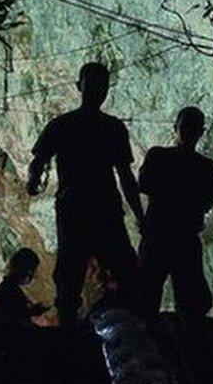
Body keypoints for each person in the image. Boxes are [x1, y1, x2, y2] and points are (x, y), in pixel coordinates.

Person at [27, 62, 142, 326]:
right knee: (122, 272)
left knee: (71, 276)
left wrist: (34, 180)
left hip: (76, 209)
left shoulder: (62, 125)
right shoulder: (111, 128)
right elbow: (125, 176)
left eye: (99, 86)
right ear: (81, 87)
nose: (97, 91)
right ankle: (125, 327)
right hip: (100, 209)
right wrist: (139, 215)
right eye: (95, 86)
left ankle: (71, 334)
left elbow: (38, 161)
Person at [137, 106, 213, 320]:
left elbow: (144, 184)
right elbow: (207, 202)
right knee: (190, 303)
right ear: (202, 132)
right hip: (183, 236)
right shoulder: (207, 167)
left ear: (175, 128)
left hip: (160, 235)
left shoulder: (158, 156)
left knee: (146, 297)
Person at [0, 248, 47, 322]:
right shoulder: (12, 291)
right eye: (32, 270)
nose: (33, 275)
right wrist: (31, 312)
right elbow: (12, 316)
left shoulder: (7, 286)